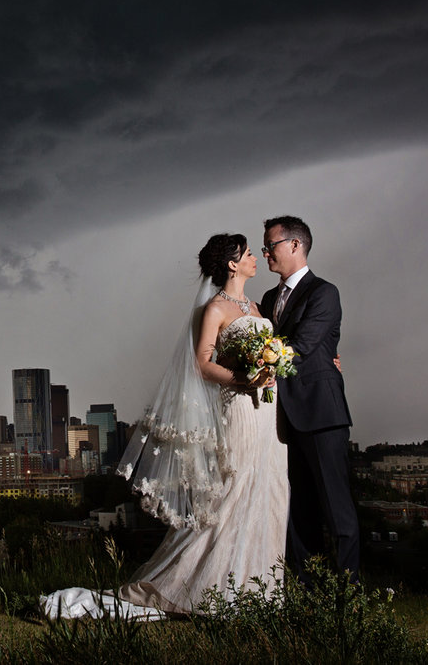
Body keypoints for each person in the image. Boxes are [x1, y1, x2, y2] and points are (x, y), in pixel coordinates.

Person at [40, 233, 288, 620]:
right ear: (231, 264)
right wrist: (244, 379)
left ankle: (261, 590)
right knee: (234, 491)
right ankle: (201, 586)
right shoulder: (215, 309)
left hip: (267, 414)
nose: (256, 258)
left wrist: (273, 370)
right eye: (249, 254)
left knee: (269, 489)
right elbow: (202, 363)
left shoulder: (258, 307)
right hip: (240, 408)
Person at [259, 215, 359, 582]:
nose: (267, 252)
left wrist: (261, 354)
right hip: (283, 419)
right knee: (297, 512)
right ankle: (307, 595)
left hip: (320, 413)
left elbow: (301, 345)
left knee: (337, 512)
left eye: (272, 245)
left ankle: (348, 597)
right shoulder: (269, 298)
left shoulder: (324, 292)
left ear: (296, 245)